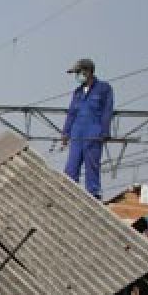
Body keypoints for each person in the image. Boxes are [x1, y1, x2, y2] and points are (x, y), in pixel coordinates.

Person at [61, 58, 114, 199]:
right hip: (77, 134)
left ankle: (93, 195)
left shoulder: (104, 89)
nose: (76, 76)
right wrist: (66, 133)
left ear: (88, 72)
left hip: (93, 134)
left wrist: (105, 131)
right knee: (71, 168)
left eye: (78, 72)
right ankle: (69, 195)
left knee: (92, 167)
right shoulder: (77, 92)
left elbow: (107, 111)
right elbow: (71, 113)